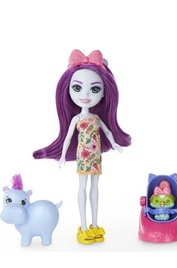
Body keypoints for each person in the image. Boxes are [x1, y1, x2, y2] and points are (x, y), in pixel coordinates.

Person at [33, 49, 132, 244]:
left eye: (94, 89)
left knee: (95, 187)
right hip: (83, 157)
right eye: (77, 88)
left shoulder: (96, 118)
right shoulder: (77, 118)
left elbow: (108, 132)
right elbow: (68, 138)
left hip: (95, 157)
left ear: (104, 93)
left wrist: (115, 144)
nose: (85, 94)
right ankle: (84, 225)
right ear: (68, 91)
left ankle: (94, 224)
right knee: (82, 187)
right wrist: (62, 155)